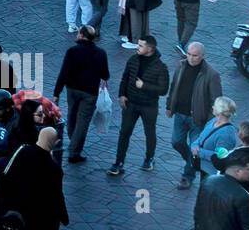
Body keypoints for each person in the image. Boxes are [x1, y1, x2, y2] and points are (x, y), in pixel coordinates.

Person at [106, 34, 169, 176]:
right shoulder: (133, 59)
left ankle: (149, 159)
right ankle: (119, 162)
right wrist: (122, 95)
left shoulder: (161, 67)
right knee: (124, 133)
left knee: (149, 133)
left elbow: (163, 90)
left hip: (149, 106)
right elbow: (125, 78)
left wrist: (144, 86)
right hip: (131, 104)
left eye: (141, 45)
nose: (137, 47)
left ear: (150, 48)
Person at [166, 42, 224, 189]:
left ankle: (187, 176)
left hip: (198, 120)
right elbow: (174, 86)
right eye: (189, 54)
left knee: (194, 148)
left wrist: (210, 122)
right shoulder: (181, 65)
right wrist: (169, 105)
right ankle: (194, 162)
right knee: (176, 142)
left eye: (195, 55)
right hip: (180, 114)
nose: (191, 58)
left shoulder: (211, 74)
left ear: (203, 56)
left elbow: (216, 101)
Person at [53, 25, 110, 165]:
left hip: (72, 89)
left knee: (72, 117)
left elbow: (64, 72)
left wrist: (57, 93)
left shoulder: (72, 51)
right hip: (90, 92)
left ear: (82, 35)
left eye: (79, 32)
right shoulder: (101, 53)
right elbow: (105, 74)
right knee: (83, 121)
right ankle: (74, 151)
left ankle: (74, 145)